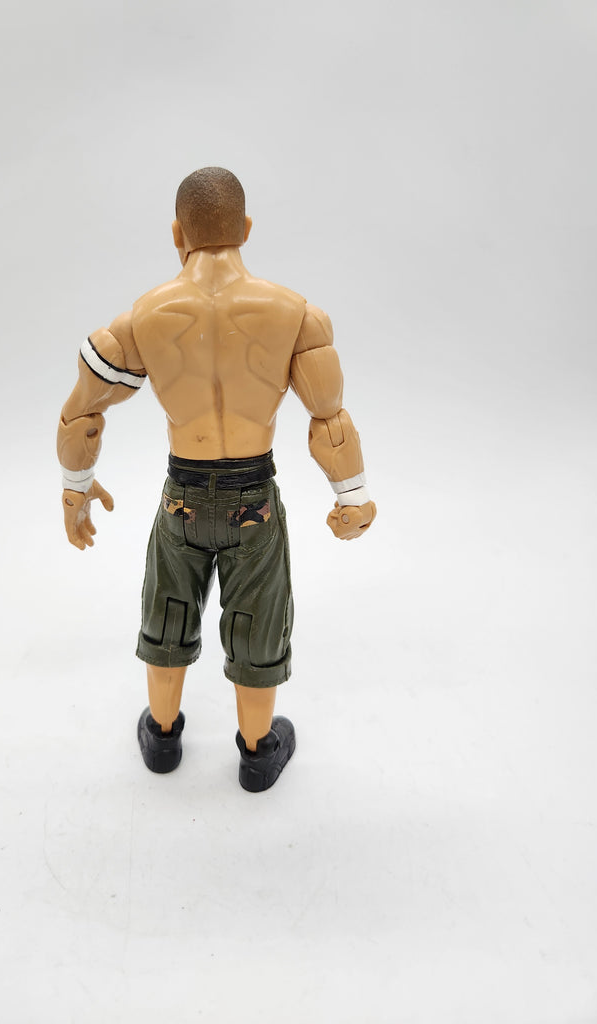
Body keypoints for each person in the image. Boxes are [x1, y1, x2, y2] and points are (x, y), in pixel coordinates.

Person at [57, 167, 376, 792]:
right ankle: (257, 753)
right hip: (253, 499)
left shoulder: (141, 319)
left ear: (178, 234)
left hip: (181, 497)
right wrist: (352, 496)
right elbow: (329, 419)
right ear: (246, 229)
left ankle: (161, 737)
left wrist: (76, 485)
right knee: (258, 620)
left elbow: (80, 412)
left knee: (168, 611)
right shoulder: (297, 316)